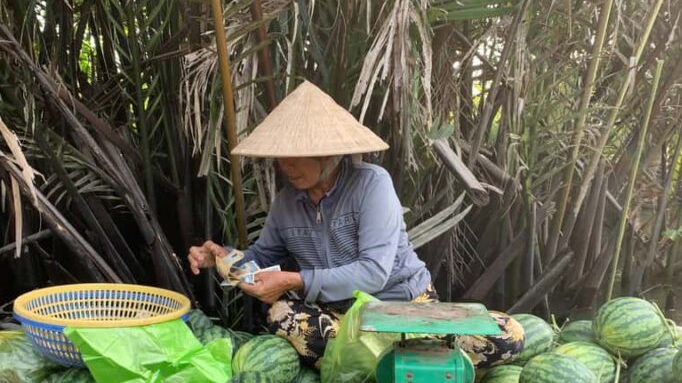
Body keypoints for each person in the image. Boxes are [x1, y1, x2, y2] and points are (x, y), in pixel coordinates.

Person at [188, 81, 523, 368]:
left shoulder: (372, 185)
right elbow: (261, 257)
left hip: (402, 308)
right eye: (281, 158)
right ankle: (404, 360)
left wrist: (294, 279)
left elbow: (373, 273)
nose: (286, 166)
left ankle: (368, 360)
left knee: (508, 335)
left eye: (296, 156)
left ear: (330, 153)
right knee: (281, 316)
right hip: (340, 318)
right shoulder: (287, 203)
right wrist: (222, 257)